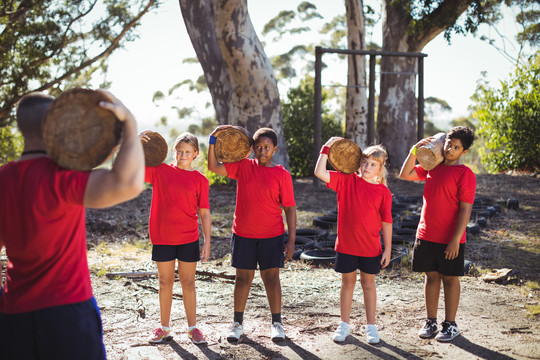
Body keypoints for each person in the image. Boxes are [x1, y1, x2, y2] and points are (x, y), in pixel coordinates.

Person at [0, 90, 145, 359]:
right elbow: (129, 183)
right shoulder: (62, 177)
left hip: (13, 314)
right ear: (55, 122)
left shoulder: (3, 178)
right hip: (67, 311)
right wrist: (130, 124)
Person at [207, 126, 297, 342]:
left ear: (274, 149)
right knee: (242, 279)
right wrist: (213, 138)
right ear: (252, 148)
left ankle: (277, 324)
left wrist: (291, 240)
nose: (262, 151)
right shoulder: (243, 167)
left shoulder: (282, 175)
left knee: (271, 279)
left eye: (267, 147)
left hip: (272, 235)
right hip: (244, 234)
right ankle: (237, 324)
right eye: (258, 147)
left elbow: (290, 208)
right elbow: (213, 166)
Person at [399, 126, 476, 342]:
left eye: (456, 147)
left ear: (464, 152)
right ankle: (431, 321)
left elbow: (465, 209)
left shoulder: (465, 174)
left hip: (451, 239)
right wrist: (415, 150)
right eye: (449, 144)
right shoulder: (432, 166)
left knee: (450, 279)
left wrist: (455, 240)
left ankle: (450, 325)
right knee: (431, 277)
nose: (450, 149)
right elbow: (405, 174)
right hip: (426, 234)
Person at [314, 139, 393, 344]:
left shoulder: (383, 192)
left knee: (369, 284)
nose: (367, 167)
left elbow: (387, 222)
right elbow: (320, 172)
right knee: (347, 283)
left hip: (371, 247)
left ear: (380, 169)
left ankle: (371, 327)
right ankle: (344, 324)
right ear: (359, 162)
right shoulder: (347, 180)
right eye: (365, 162)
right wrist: (327, 147)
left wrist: (388, 249)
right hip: (347, 246)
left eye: (373, 164)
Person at [140, 131, 211, 345]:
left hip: (188, 238)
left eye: (187, 152)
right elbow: (133, 167)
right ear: (173, 151)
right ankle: (164, 328)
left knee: (188, 283)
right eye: (179, 151)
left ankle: (192, 328)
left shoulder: (200, 180)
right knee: (164, 282)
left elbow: (205, 212)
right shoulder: (159, 171)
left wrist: (207, 241)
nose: (182, 155)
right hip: (162, 237)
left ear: (195, 154)